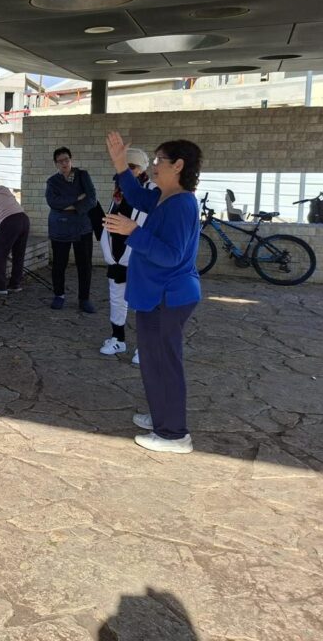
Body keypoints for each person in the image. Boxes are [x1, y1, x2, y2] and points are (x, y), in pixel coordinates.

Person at [104, 132, 203, 454]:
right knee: (152, 361)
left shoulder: (181, 204)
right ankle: (163, 415)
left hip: (167, 296)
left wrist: (133, 231)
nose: (154, 165)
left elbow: (171, 255)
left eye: (160, 159)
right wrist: (121, 164)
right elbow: (135, 196)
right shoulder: (164, 197)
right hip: (157, 295)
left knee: (163, 364)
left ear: (178, 166)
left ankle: (173, 434)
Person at [99, 149, 154, 364]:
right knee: (117, 297)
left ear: (142, 169)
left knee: (143, 303)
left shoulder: (152, 192)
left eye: (132, 167)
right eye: (125, 166)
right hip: (117, 254)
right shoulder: (118, 191)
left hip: (140, 256)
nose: (128, 171)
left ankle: (145, 347)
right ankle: (118, 338)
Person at [46, 146, 98, 312]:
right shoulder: (52, 181)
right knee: (59, 264)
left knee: (85, 265)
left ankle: (84, 299)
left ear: (71, 160)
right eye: (60, 161)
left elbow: (92, 199)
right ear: (55, 163)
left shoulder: (82, 175)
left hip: (82, 227)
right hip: (60, 228)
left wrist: (70, 207)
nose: (64, 163)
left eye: (66, 160)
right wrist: (77, 198)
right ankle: (59, 295)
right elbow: (53, 202)